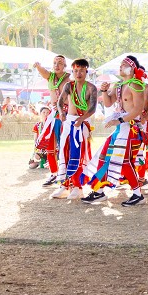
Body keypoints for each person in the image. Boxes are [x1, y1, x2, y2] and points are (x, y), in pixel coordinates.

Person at [82, 55, 148, 207]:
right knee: (103, 156)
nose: (120, 67)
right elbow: (108, 103)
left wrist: (119, 120)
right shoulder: (119, 85)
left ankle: (138, 194)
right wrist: (104, 91)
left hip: (131, 128)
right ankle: (98, 191)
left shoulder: (136, 85)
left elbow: (138, 109)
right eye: (120, 65)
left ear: (132, 68)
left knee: (125, 162)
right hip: (120, 129)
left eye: (124, 64)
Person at [51, 59, 97, 200]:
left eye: (81, 70)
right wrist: (62, 113)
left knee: (77, 154)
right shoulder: (69, 86)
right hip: (69, 121)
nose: (78, 73)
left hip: (82, 123)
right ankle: (65, 186)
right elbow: (59, 102)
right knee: (64, 153)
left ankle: (78, 187)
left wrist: (82, 119)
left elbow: (93, 108)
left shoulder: (91, 88)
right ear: (72, 72)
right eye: (76, 71)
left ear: (86, 72)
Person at [33, 55, 71, 187]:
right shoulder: (50, 77)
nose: (57, 65)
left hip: (66, 114)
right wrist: (38, 66)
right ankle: (54, 174)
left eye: (60, 63)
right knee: (49, 145)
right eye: (55, 62)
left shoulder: (69, 77)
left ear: (65, 65)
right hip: (54, 113)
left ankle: (65, 175)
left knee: (64, 145)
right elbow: (44, 72)